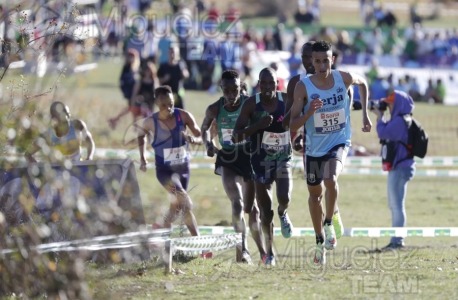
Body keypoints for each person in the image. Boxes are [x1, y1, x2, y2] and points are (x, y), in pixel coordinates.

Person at [289, 40, 372, 265]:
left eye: (326, 60)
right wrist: (309, 114)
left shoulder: (342, 78)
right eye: (317, 61)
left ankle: (329, 221)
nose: (322, 65)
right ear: (312, 62)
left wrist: (365, 114)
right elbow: (292, 124)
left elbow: (363, 83)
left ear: (332, 60)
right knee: (315, 196)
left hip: (339, 141)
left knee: (331, 179)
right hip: (314, 148)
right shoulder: (303, 87)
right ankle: (319, 241)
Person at [201, 70, 266, 264]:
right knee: (236, 203)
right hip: (228, 159)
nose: (231, 95)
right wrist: (208, 145)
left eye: (235, 90)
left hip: (248, 157)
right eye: (227, 91)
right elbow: (204, 128)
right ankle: (243, 250)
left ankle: (263, 252)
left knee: (252, 209)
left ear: (241, 87)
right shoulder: (214, 109)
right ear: (221, 89)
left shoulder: (250, 104)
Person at [233, 67, 293, 266]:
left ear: (277, 83)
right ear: (259, 84)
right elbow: (236, 135)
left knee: (284, 196)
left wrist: (300, 137)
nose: (268, 87)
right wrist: (257, 126)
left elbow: (301, 122)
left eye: (271, 83)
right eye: (264, 83)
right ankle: (270, 254)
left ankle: (284, 213)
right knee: (266, 213)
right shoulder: (252, 104)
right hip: (259, 162)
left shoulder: (287, 101)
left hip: (283, 158)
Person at [137, 85, 205, 247]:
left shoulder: (183, 116)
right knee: (185, 204)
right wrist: (143, 157)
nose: (168, 109)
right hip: (165, 171)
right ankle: (201, 245)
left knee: (175, 208)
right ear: (156, 104)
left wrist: (192, 140)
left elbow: (201, 136)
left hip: (183, 170)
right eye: (164, 105)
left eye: (171, 104)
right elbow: (141, 136)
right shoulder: (150, 122)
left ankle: (159, 232)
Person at [24, 101, 95, 224]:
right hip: (56, 172)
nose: (65, 119)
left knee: (74, 199)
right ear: (53, 119)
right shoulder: (47, 134)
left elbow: (90, 142)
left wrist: (89, 157)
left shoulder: (77, 125)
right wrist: (38, 168)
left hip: (76, 170)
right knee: (43, 201)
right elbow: (28, 154)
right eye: (59, 116)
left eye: (66, 115)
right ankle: (37, 224)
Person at [372, 90, 415, 250]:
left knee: (397, 205)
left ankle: (397, 241)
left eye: (390, 103)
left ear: (398, 104)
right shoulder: (401, 119)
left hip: (400, 168)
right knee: (395, 204)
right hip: (401, 167)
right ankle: (396, 239)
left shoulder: (400, 121)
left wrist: (379, 116)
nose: (388, 105)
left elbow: (383, 132)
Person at [109, 61, 158, 129]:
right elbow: (134, 93)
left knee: (147, 115)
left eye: (149, 70)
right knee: (129, 109)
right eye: (146, 69)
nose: (147, 71)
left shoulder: (154, 82)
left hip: (149, 104)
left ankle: (144, 129)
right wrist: (133, 103)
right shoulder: (140, 82)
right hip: (139, 103)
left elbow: (156, 95)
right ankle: (116, 120)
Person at [108, 48, 140, 129]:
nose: (131, 58)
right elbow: (123, 81)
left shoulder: (135, 68)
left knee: (131, 109)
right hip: (130, 92)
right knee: (132, 109)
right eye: (129, 56)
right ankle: (134, 126)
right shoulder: (126, 68)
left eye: (132, 57)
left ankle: (115, 120)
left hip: (136, 92)